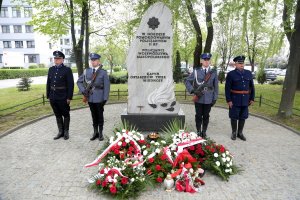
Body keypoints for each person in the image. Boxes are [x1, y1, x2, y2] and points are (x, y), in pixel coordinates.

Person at [77, 53, 110, 141]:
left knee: (100, 115)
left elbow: (107, 86)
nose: (93, 62)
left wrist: (105, 98)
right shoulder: (86, 71)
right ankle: (95, 132)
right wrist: (83, 91)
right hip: (90, 98)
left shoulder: (103, 72)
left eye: (95, 60)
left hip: (100, 98)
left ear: (98, 61)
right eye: (92, 60)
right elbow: (79, 82)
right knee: (93, 115)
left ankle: (101, 133)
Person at [185, 53, 219, 138]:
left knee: (206, 115)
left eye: (208, 60)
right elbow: (187, 81)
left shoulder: (213, 72)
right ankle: (198, 131)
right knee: (198, 115)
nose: (206, 61)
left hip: (209, 98)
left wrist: (214, 98)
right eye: (205, 60)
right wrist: (193, 90)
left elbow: (216, 86)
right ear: (201, 61)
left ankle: (204, 131)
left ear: (210, 61)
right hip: (199, 97)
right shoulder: (196, 71)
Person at [225, 55, 255, 141]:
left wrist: (252, 98)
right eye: (239, 63)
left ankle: (240, 133)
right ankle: (234, 132)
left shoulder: (248, 73)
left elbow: (251, 87)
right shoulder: (231, 74)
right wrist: (229, 100)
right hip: (235, 99)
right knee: (234, 116)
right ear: (235, 64)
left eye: (243, 63)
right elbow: (227, 88)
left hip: (245, 99)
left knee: (243, 116)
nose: (242, 65)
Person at [46, 50, 74, 140]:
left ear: (62, 60)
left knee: (65, 114)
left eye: (58, 58)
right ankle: (60, 131)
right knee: (57, 114)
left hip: (63, 96)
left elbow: (71, 84)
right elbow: (48, 83)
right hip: (53, 96)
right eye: (55, 58)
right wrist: (48, 95)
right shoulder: (51, 69)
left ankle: (66, 132)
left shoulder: (67, 70)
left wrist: (69, 97)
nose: (56, 60)